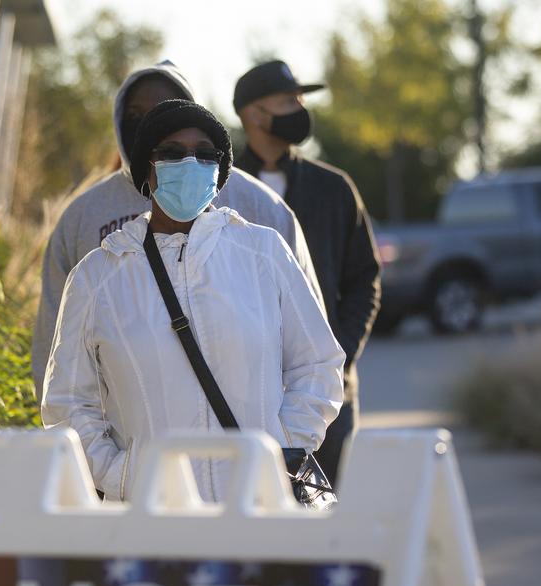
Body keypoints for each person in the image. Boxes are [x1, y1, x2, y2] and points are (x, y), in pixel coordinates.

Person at [41, 100, 344, 502]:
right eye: (172, 153)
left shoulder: (263, 253)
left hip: (259, 505)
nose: (191, 163)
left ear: (220, 171)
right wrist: (123, 476)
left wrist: (280, 447)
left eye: (205, 154)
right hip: (152, 520)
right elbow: (67, 404)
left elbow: (318, 364)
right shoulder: (98, 276)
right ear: (147, 169)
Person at [32, 61, 323, 393]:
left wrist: (285, 437)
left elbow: (311, 347)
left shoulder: (262, 208)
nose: (150, 124)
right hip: (132, 435)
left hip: (247, 434)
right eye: (135, 114)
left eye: (164, 111)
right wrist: (95, 443)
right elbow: (55, 355)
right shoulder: (84, 216)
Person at [233, 60, 381, 487]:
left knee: (329, 516)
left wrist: (337, 359)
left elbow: (364, 282)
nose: (300, 108)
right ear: (254, 114)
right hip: (246, 398)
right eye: (287, 101)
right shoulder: (222, 189)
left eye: (300, 99)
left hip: (330, 400)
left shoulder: (334, 188)